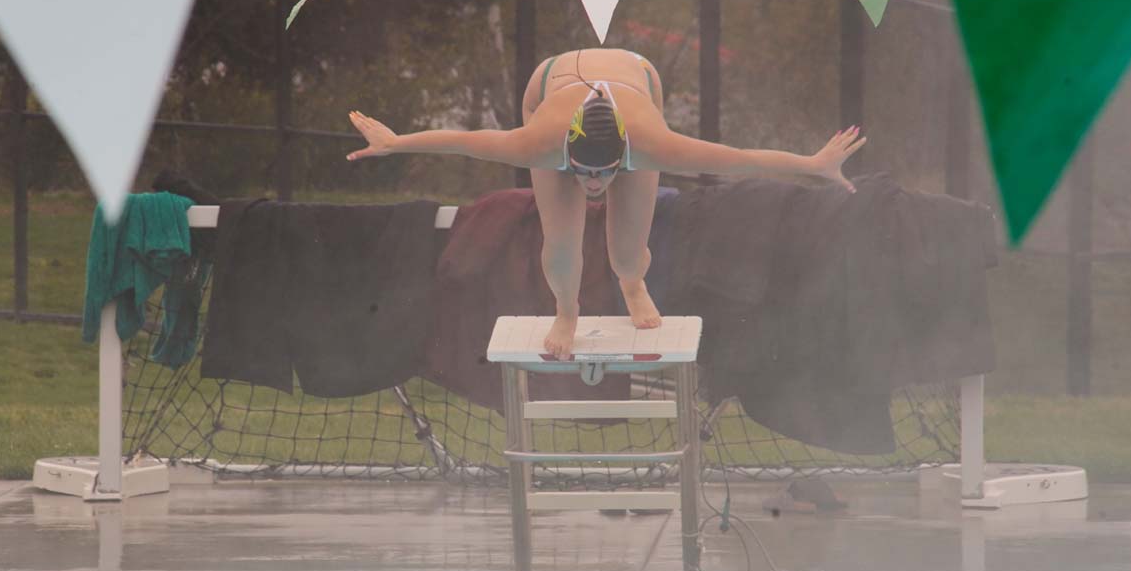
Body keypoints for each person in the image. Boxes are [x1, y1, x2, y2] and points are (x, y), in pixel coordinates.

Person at [347, 48, 865, 360]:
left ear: (623, 157)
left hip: (636, 79)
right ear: (568, 153)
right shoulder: (540, 142)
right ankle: (566, 310)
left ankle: (632, 282)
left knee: (627, 251)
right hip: (552, 83)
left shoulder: (650, 144)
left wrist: (812, 164)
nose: (594, 185)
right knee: (562, 241)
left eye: (606, 173)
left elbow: (738, 159)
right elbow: (465, 140)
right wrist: (396, 142)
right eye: (584, 172)